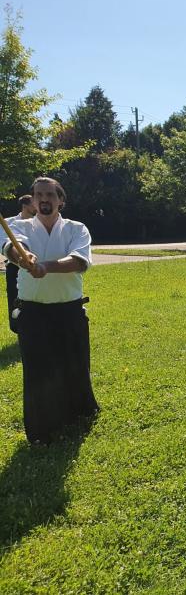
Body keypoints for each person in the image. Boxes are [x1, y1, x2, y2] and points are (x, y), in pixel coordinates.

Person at [2, 177, 99, 444]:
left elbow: (79, 261)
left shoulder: (77, 229)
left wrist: (45, 266)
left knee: (74, 365)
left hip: (70, 310)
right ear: (32, 201)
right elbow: (12, 247)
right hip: (33, 314)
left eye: (50, 195)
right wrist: (24, 257)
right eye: (38, 195)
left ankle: (79, 414)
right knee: (39, 370)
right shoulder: (16, 226)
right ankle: (42, 429)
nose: (44, 199)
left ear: (60, 200)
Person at [4, 194, 36, 333]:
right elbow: (6, 245)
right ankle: (17, 327)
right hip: (14, 266)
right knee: (14, 296)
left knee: (34, 296)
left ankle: (35, 326)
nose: (37, 205)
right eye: (33, 203)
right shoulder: (8, 223)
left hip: (35, 264)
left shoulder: (39, 222)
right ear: (25, 206)